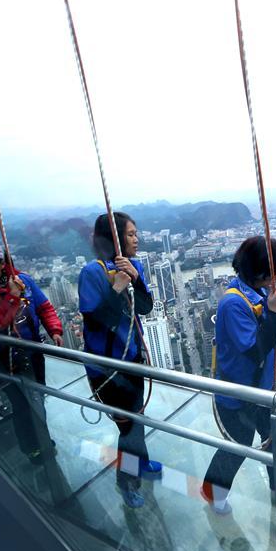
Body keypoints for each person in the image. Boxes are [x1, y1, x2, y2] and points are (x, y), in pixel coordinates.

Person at [201, 236, 276, 515]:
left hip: (260, 389)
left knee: (273, 438)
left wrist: (273, 311)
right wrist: (274, 315)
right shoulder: (233, 302)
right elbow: (253, 351)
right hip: (239, 393)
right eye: (275, 270)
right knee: (238, 445)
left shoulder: (256, 293)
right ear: (260, 270)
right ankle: (212, 491)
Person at [78, 212, 161, 508]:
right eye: (130, 234)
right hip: (107, 366)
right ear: (113, 239)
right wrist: (117, 286)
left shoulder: (134, 265)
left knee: (135, 418)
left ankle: (142, 463)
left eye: (136, 234)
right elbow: (98, 320)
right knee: (128, 427)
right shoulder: (92, 272)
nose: (136, 239)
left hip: (132, 357)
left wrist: (135, 280)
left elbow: (146, 308)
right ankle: (127, 483)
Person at [0, 242, 62, 465]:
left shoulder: (23, 281)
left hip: (32, 351)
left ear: (2, 263)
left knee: (37, 398)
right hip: (0, 358)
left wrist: (54, 329)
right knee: (22, 404)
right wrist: (13, 297)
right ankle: (32, 448)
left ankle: (41, 438)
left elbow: (44, 307)